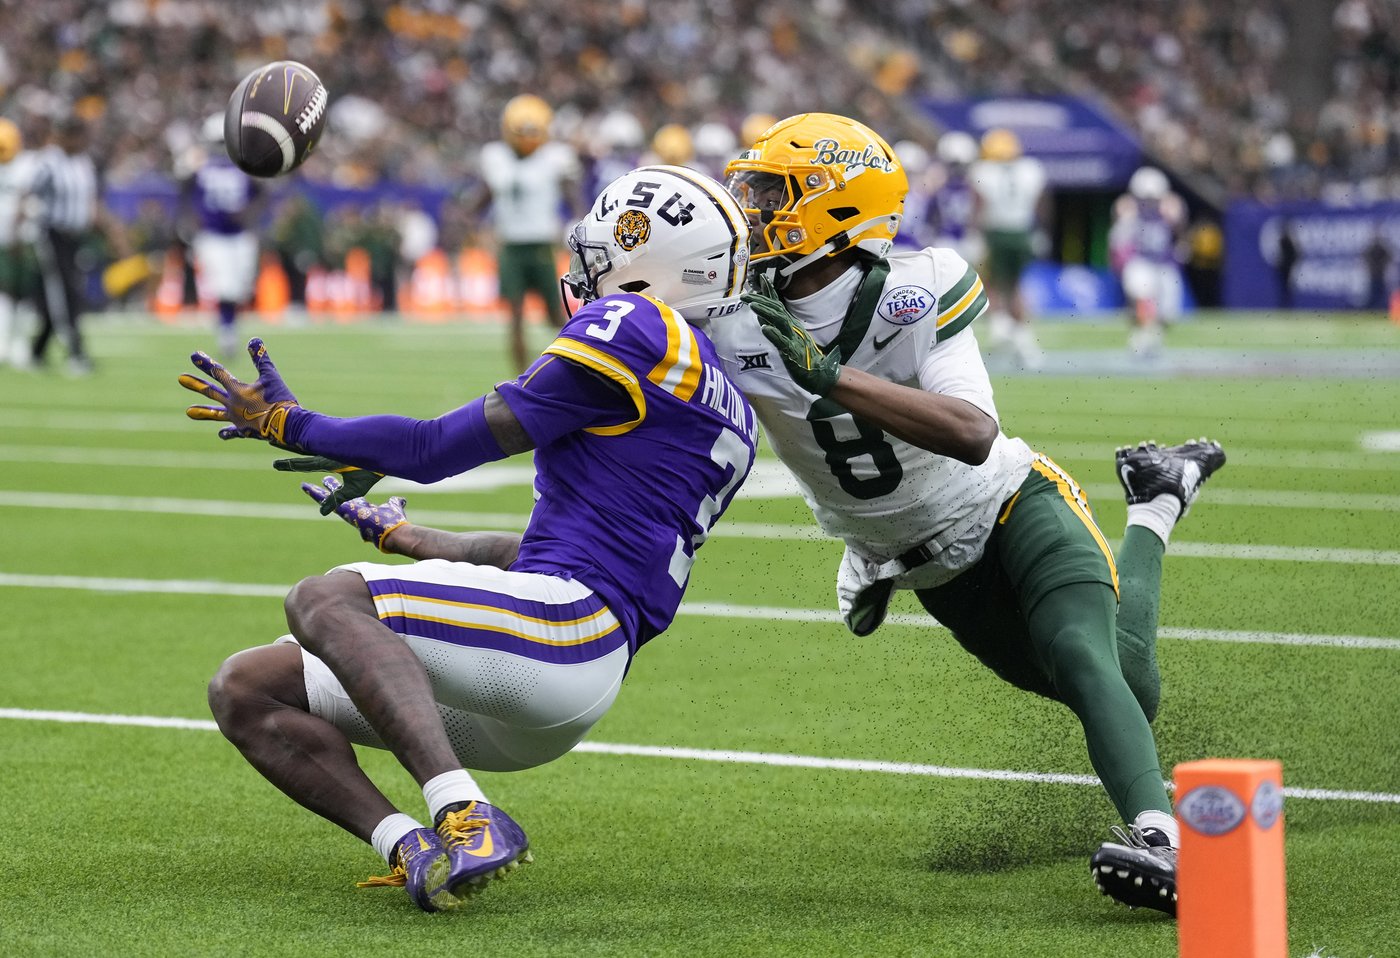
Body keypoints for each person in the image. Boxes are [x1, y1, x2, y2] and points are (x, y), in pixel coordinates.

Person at [179, 164, 758, 912]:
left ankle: (462, 811)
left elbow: (434, 448)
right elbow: (535, 555)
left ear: (646, 256)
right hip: (562, 661)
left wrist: (292, 423)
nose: (586, 262)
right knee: (247, 688)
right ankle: (409, 847)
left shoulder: (639, 327)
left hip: (562, 629)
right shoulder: (725, 403)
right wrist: (415, 539)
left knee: (325, 599)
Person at [719, 113, 1225, 917]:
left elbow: (970, 431)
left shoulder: (917, 286)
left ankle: (1168, 839)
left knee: (1084, 658)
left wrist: (827, 376)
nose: (748, 208)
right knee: (1130, 685)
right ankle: (1159, 501)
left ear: (837, 207)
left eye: (772, 192)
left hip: (1009, 503)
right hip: (925, 563)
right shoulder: (727, 312)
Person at [468, 94, 584, 374]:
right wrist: (470, 222)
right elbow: (479, 200)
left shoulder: (555, 158)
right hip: (511, 247)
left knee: (555, 315)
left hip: (542, 244)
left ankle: (579, 366)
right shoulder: (495, 157)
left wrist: (580, 227)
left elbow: (574, 201)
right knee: (516, 316)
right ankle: (519, 380)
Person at [29, 116, 118, 375]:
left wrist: (107, 230)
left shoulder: (83, 162)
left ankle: (36, 351)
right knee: (65, 292)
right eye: (77, 136)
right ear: (65, 136)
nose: (82, 141)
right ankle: (76, 352)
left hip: (77, 237)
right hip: (52, 234)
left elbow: (92, 201)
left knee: (57, 293)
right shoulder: (49, 162)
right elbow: (29, 195)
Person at [183, 114, 267, 358]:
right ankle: (227, 332)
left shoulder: (245, 167)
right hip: (213, 236)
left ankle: (228, 327)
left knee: (239, 289)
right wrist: (191, 218)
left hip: (240, 236)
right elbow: (183, 191)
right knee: (224, 288)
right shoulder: (198, 166)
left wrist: (249, 213)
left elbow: (261, 194)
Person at [968, 127, 1046, 369]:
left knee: (990, 283)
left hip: (996, 233)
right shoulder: (1031, 170)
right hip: (1022, 233)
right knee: (1016, 286)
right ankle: (1024, 340)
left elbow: (979, 205)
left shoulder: (982, 171)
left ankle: (1002, 329)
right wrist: (1040, 230)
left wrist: (975, 233)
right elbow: (1042, 203)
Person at [1108, 167, 1187, 359]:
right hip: (1140, 260)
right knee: (1143, 296)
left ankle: (1152, 337)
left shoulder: (1172, 207)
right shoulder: (1127, 209)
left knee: (1169, 314)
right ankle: (1141, 338)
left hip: (1164, 263)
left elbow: (1180, 233)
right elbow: (1117, 240)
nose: (1149, 203)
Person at [0, 117, 39, 368]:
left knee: (24, 294)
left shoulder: (29, 166)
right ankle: (3, 342)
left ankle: (20, 343)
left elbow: (31, 201)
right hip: (2, 240)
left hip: (25, 239)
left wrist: (20, 230)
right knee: (4, 291)